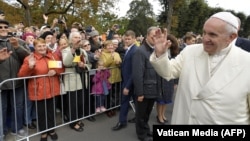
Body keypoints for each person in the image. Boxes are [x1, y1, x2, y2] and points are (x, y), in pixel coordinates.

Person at [150, 11, 250, 124]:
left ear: (231, 37)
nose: (205, 39)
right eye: (204, 33)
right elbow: (168, 72)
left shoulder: (247, 62)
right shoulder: (190, 51)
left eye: (212, 34)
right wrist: (160, 55)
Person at [18, 38, 64, 141]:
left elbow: (61, 68)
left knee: (51, 111)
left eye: (43, 45)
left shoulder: (53, 56)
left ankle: (52, 130)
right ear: (34, 47)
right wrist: (30, 67)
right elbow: (21, 75)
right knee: (41, 113)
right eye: (39, 46)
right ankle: (43, 132)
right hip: (39, 89)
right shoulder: (30, 58)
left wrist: (55, 72)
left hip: (53, 88)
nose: (42, 48)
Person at [0, 19, 30, 138]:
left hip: (17, 81)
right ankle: (1, 132)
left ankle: (17, 129)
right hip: (1, 83)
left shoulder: (18, 41)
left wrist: (17, 47)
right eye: (0, 27)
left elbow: (28, 57)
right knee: (2, 109)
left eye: (5, 27)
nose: (3, 29)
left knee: (18, 106)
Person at [132, 26, 163, 141]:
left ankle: (146, 130)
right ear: (147, 36)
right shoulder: (140, 51)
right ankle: (141, 135)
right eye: (153, 36)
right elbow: (137, 74)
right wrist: (140, 93)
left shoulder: (155, 50)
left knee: (147, 113)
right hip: (144, 90)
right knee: (141, 115)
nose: (155, 39)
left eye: (157, 36)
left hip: (153, 89)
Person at [112, 30, 137, 131]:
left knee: (128, 102)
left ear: (134, 39)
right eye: (125, 39)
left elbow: (134, 70)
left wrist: (127, 86)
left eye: (129, 39)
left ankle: (124, 122)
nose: (126, 40)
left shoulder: (135, 50)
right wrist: (120, 65)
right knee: (127, 102)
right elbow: (128, 66)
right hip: (127, 81)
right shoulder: (129, 49)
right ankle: (123, 121)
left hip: (130, 82)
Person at [155, 34, 179, 124]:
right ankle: (159, 115)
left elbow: (177, 68)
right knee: (160, 99)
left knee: (166, 98)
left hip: (170, 78)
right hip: (161, 78)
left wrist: (176, 82)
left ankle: (163, 114)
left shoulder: (174, 53)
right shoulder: (159, 51)